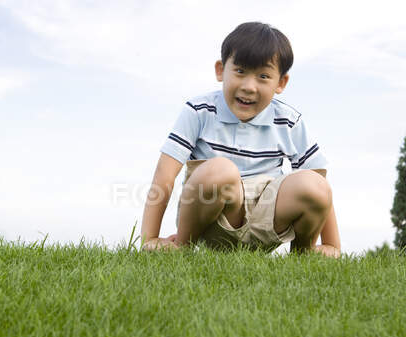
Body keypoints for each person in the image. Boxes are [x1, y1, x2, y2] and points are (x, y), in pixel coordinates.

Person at [140, 22, 340, 258]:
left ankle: (304, 255)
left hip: (268, 220)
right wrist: (149, 238)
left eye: (263, 76)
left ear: (281, 83)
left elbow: (320, 188)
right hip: (214, 218)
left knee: (314, 182)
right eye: (240, 71)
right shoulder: (199, 111)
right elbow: (164, 175)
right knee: (220, 171)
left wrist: (332, 244)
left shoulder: (288, 121)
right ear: (220, 70)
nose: (249, 87)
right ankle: (181, 247)